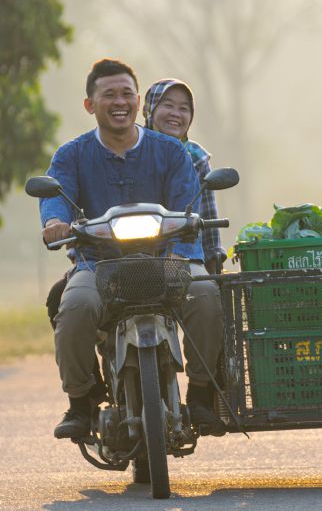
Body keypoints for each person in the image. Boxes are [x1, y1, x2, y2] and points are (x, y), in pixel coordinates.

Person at [39, 58, 224, 439]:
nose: (119, 102)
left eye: (127, 94)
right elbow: (55, 197)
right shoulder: (71, 155)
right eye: (109, 95)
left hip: (167, 261)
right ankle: (81, 400)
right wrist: (53, 224)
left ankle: (203, 394)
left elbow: (187, 204)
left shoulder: (171, 153)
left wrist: (179, 249)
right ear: (90, 104)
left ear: (139, 102)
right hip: (98, 265)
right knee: (73, 306)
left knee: (207, 294)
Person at [142, 78, 227, 275]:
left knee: (205, 293)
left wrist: (213, 259)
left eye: (184, 108)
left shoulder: (196, 156)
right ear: (148, 109)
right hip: (128, 254)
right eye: (168, 105)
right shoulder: (132, 149)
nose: (176, 114)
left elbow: (207, 214)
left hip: (186, 253)